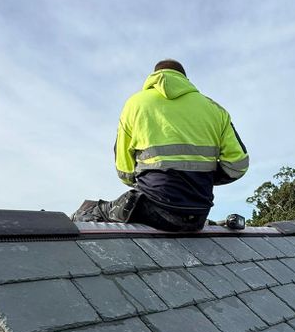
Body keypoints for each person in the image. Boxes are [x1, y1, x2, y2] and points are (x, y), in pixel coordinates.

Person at [74, 60, 248, 231]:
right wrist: (203, 176)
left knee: (90, 209)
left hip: (155, 210)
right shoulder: (216, 110)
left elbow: (124, 172)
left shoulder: (135, 104)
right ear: (185, 80)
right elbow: (238, 165)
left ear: (154, 76)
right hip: (198, 215)